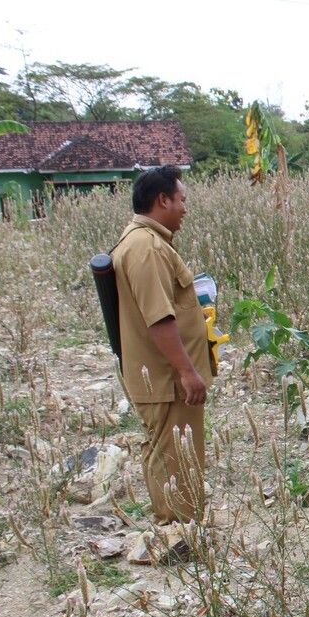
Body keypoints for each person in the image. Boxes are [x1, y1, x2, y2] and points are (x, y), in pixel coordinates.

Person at [111, 165, 212, 563]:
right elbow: (159, 318)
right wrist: (187, 371)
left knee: (167, 453)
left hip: (162, 377)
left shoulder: (144, 242)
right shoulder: (147, 248)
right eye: (182, 199)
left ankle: (174, 532)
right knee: (176, 456)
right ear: (162, 200)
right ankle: (178, 541)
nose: (185, 207)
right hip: (166, 379)